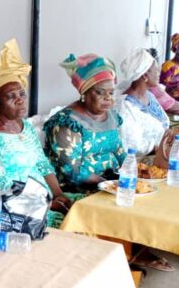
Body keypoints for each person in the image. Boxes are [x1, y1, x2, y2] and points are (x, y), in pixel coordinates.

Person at [0, 39, 78, 228]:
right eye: (11, 97)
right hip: (14, 210)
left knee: (86, 211)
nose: (20, 100)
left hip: (46, 200)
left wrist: (58, 194)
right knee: (72, 228)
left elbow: (42, 165)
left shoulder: (25, 127)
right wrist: (47, 205)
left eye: (22, 94)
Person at [44, 53, 125, 190]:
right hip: (80, 189)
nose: (107, 98)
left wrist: (132, 173)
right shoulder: (66, 122)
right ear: (84, 93)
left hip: (112, 183)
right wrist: (110, 185)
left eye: (111, 93)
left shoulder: (112, 116)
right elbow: (72, 172)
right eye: (100, 92)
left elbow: (119, 152)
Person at [116, 48, 169, 156]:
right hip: (143, 163)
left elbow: (164, 123)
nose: (159, 74)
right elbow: (132, 146)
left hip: (163, 151)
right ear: (145, 75)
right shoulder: (125, 107)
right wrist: (156, 147)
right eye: (156, 70)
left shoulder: (149, 96)